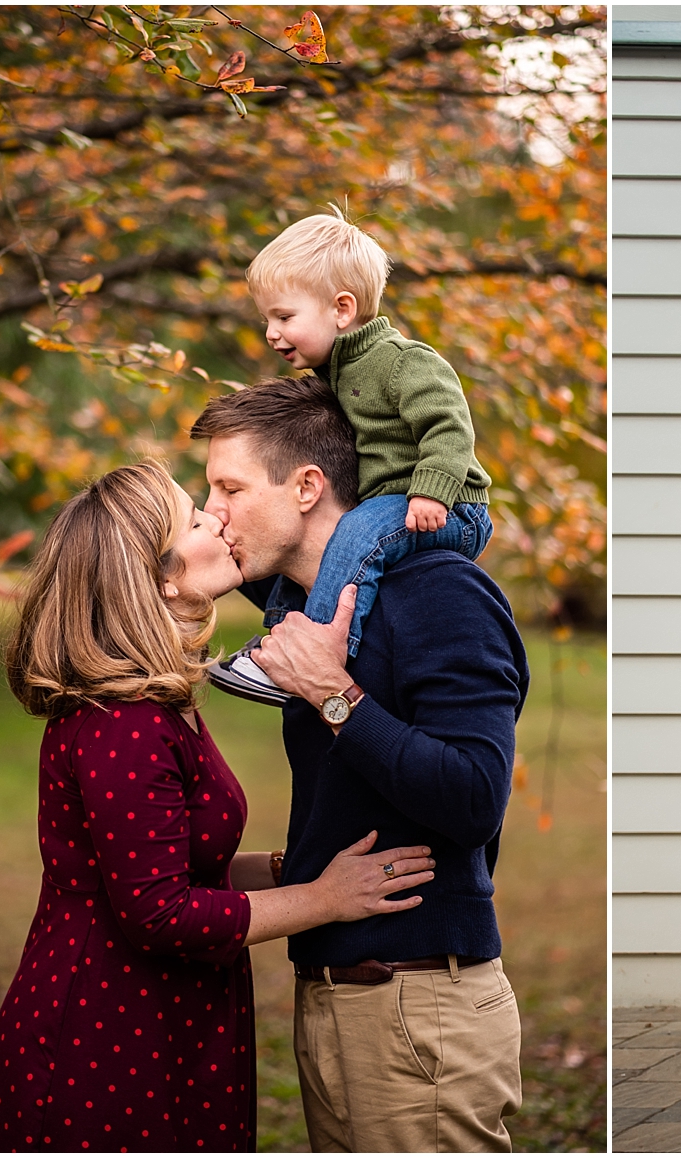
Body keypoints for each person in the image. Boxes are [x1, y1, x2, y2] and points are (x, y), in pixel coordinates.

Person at [0, 461, 436, 1151]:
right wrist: (325, 898)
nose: (217, 519)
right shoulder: (122, 721)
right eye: (196, 518)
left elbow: (175, 863)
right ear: (159, 577)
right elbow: (160, 912)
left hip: (164, 1020)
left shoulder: (158, 702)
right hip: (103, 1038)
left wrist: (289, 869)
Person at [194, 377, 530, 1149]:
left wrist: (334, 696)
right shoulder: (305, 610)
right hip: (335, 1001)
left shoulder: (440, 593)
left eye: (230, 488)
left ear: (307, 487)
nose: (214, 511)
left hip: (420, 1009)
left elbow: (476, 797)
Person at [208, 209, 494, 706]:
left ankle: (320, 647)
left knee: (356, 535)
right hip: (394, 504)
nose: (271, 334)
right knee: (306, 558)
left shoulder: (404, 361)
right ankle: (280, 646)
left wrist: (432, 490)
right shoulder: (334, 375)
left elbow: (449, 425)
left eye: (284, 317)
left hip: (447, 507)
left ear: (342, 310)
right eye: (267, 320)